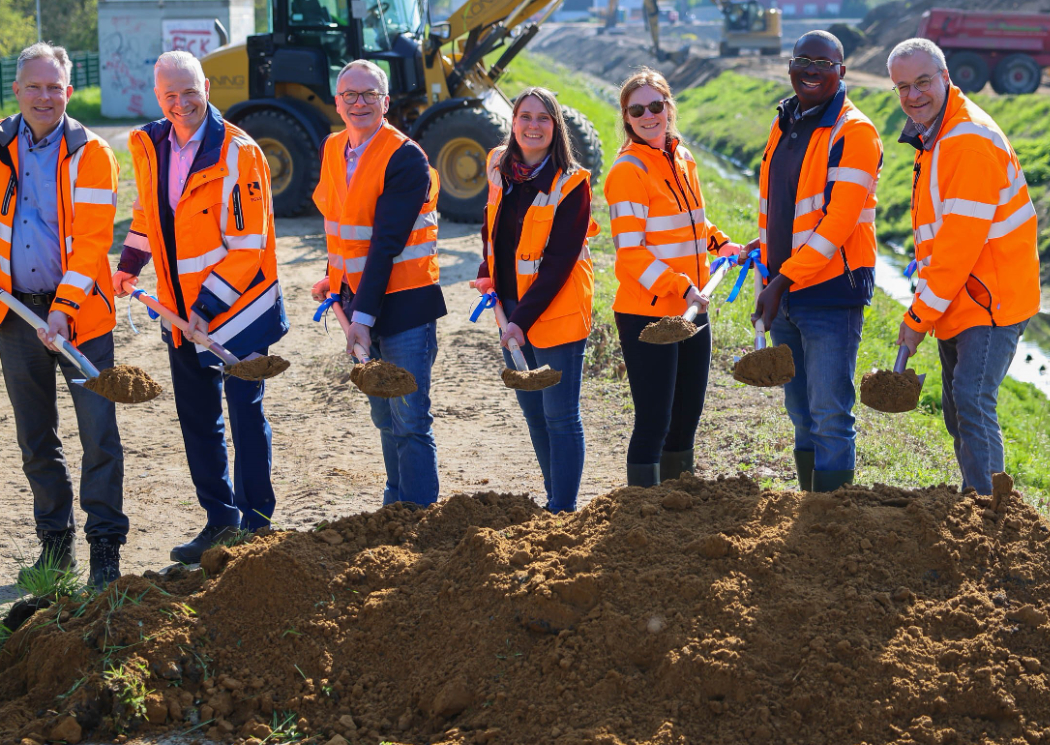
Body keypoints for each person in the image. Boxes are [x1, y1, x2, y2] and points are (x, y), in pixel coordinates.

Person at [0, 42, 127, 587]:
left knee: (99, 436)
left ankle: (105, 549)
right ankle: (55, 548)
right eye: (35, 87)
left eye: (55, 88)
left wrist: (63, 311)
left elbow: (92, 245)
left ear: (69, 91)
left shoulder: (92, 153)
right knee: (36, 438)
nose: (45, 97)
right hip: (15, 312)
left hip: (81, 320)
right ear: (17, 90)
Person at [112, 50, 287, 563]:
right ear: (157, 96)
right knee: (198, 419)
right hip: (180, 314)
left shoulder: (239, 152)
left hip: (240, 309)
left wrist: (206, 307)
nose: (181, 103)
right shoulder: (150, 145)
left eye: (189, 91)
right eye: (170, 95)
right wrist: (130, 264)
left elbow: (249, 245)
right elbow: (147, 213)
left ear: (206, 88)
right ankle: (219, 521)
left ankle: (257, 527)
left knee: (245, 415)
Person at [889, 37, 1040, 495]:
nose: (913, 95)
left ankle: (991, 513)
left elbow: (958, 249)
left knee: (972, 401)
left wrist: (917, 318)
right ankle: (976, 500)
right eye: (903, 87)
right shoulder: (937, 132)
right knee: (959, 408)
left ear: (946, 77)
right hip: (964, 293)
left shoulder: (967, 141)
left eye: (922, 82)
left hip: (990, 297)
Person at [748, 31, 882, 493]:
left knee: (829, 415)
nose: (811, 70)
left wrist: (781, 281)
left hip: (830, 293)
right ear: (789, 66)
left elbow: (838, 222)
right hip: (785, 287)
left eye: (824, 64)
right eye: (802, 60)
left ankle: (831, 518)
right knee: (801, 412)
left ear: (842, 72)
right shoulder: (785, 119)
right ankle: (810, 510)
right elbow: (785, 201)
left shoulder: (855, 132)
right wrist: (768, 251)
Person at [311, 59, 446, 506]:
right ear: (337, 102)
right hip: (357, 300)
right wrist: (334, 279)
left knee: (409, 419)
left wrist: (362, 319)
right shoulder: (333, 148)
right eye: (350, 94)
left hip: (404, 306)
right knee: (384, 417)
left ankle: (419, 516)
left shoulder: (405, 157)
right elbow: (343, 226)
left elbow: (386, 242)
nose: (359, 103)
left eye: (370, 94)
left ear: (386, 102)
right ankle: (395, 504)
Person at [605, 68, 743, 486]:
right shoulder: (627, 172)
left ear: (668, 107)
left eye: (655, 105)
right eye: (637, 110)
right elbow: (631, 253)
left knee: (685, 419)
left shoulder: (683, 159)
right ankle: (643, 511)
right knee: (654, 421)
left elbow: (693, 223)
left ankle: (678, 506)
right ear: (627, 118)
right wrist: (682, 286)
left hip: (692, 309)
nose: (648, 115)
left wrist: (721, 245)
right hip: (649, 314)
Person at [471, 87, 597, 512]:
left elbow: (559, 262)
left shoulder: (571, 183)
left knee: (560, 416)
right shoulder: (498, 165)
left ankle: (564, 509)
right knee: (533, 411)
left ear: (556, 127)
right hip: (509, 308)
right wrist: (486, 269)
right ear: (512, 122)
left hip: (556, 311)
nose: (533, 126)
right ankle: (552, 498)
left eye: (544, 118)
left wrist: (519, 321)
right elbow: (491, 224)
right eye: (525, 116)